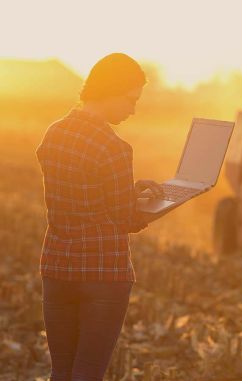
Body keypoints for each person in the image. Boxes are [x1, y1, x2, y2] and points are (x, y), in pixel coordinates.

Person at [36, 53, 164, 380]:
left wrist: (129, 190)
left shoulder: (53, 134)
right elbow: (124, 218)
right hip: (104, 274)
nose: (133, 109)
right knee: (88, 373)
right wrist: (161, 206)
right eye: (130, 99)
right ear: (110, 90)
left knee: (61, 371)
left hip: (57, 268)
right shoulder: (114, 147)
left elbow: (83, 192)